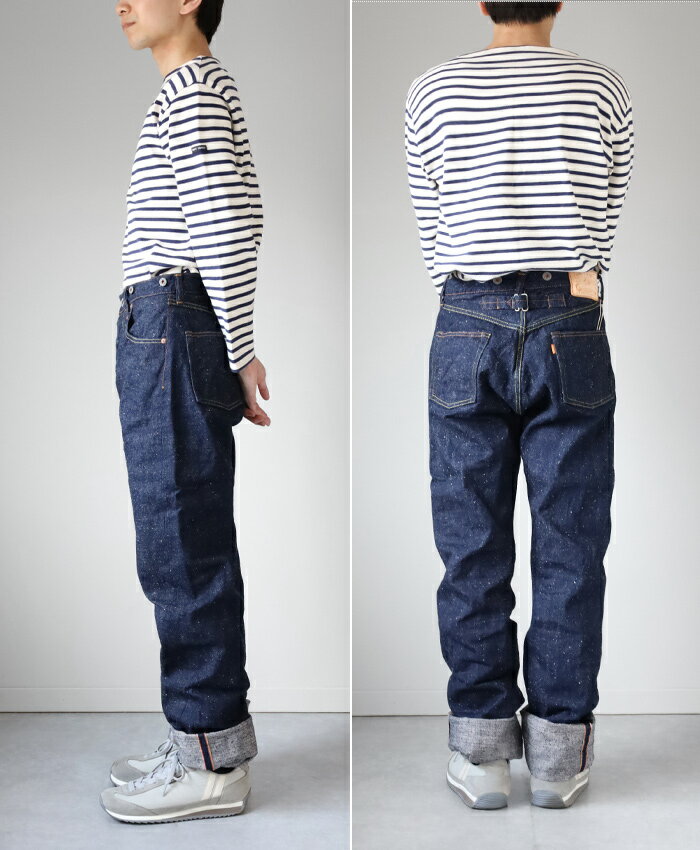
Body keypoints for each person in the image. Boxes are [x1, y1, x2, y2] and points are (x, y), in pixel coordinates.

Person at [404, 1, 634, 809]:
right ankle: (559, 759)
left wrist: (473, 291)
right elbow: (604, 216)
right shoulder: (602, 87)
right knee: (571, 546)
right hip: (570, 323)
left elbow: (432, 224)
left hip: (467, 318)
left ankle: (480, 755)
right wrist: (572, 283)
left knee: (471, 547)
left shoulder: (433, 89)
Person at [101, 0, 270, 824]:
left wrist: (239, 349)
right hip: (167, 324)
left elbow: (227, 227)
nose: (122, 3)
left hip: (172, 323)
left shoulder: (195, 89)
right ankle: (203, 738)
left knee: (181, 544)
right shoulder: (192, 88)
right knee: (181, 538)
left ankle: (209, 762)